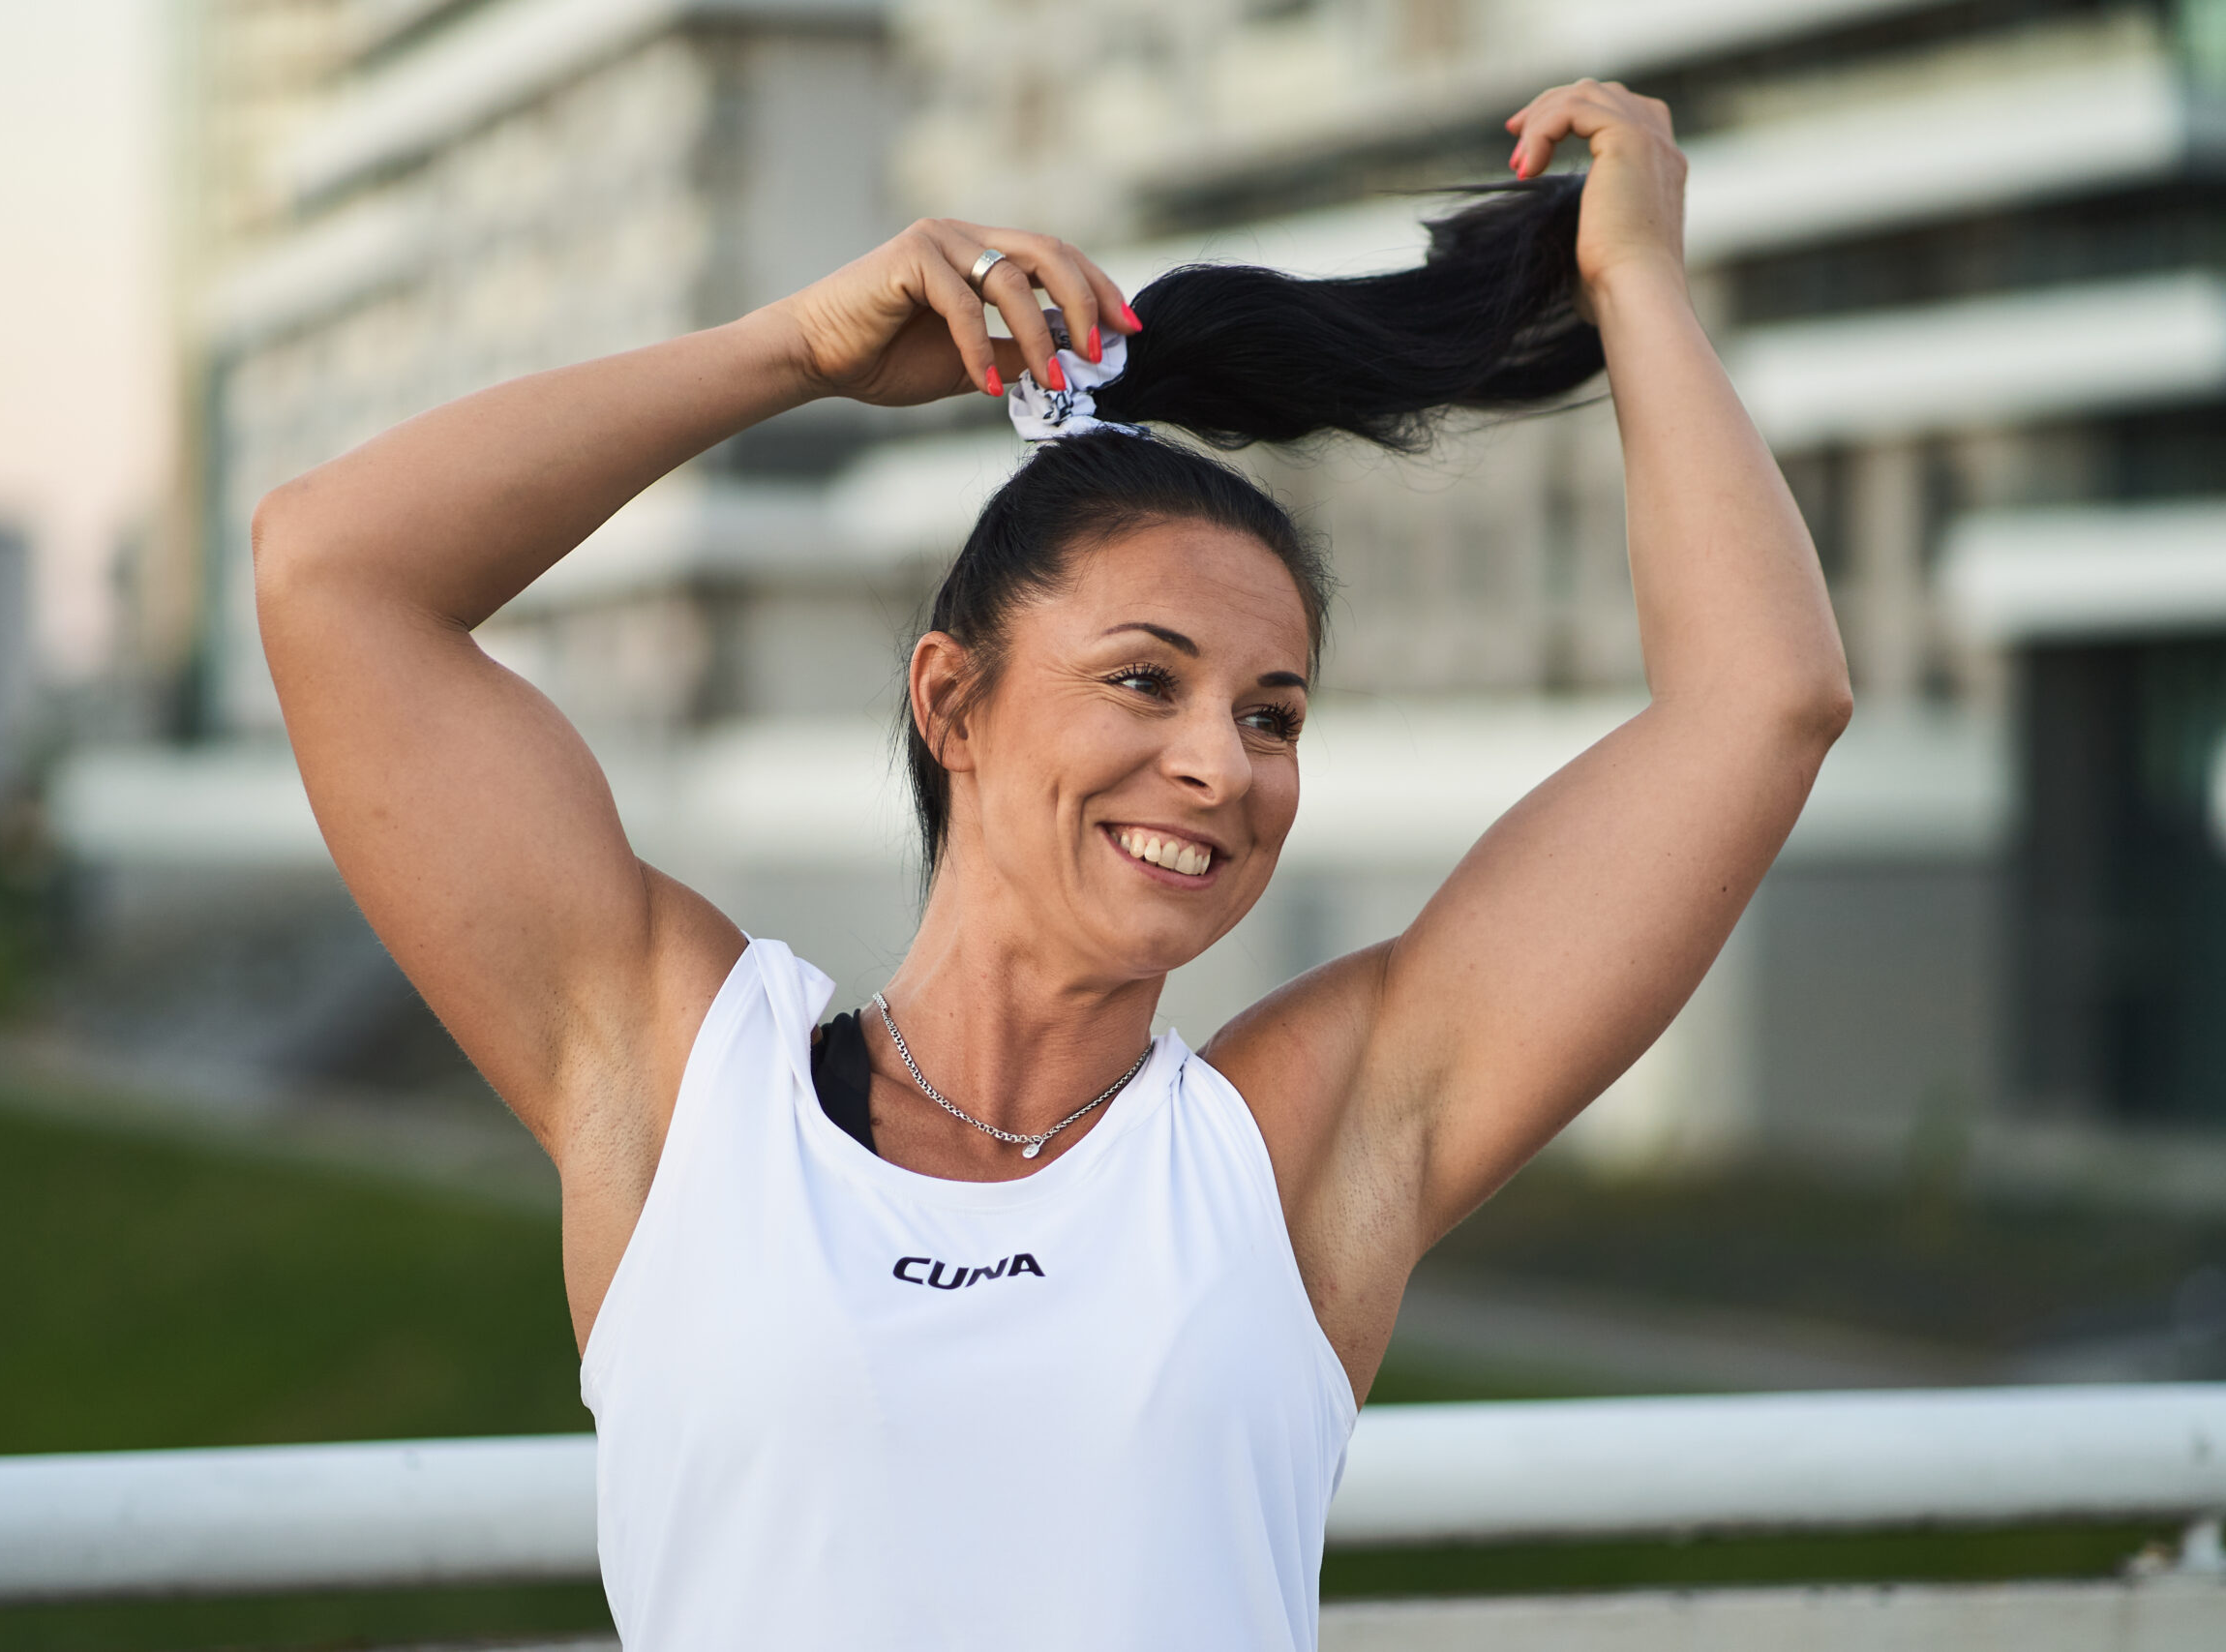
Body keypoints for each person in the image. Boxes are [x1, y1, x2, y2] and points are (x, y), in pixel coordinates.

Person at [254, 78, 1850, 1652]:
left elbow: (1763, 703)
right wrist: (793, 354)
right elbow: (333, 572)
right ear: (952, 702)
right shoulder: (685, 1089)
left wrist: (1638, 283)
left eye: (1273, 714)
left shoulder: (1295, 1152)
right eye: (1145, 680)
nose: (1224, 765)